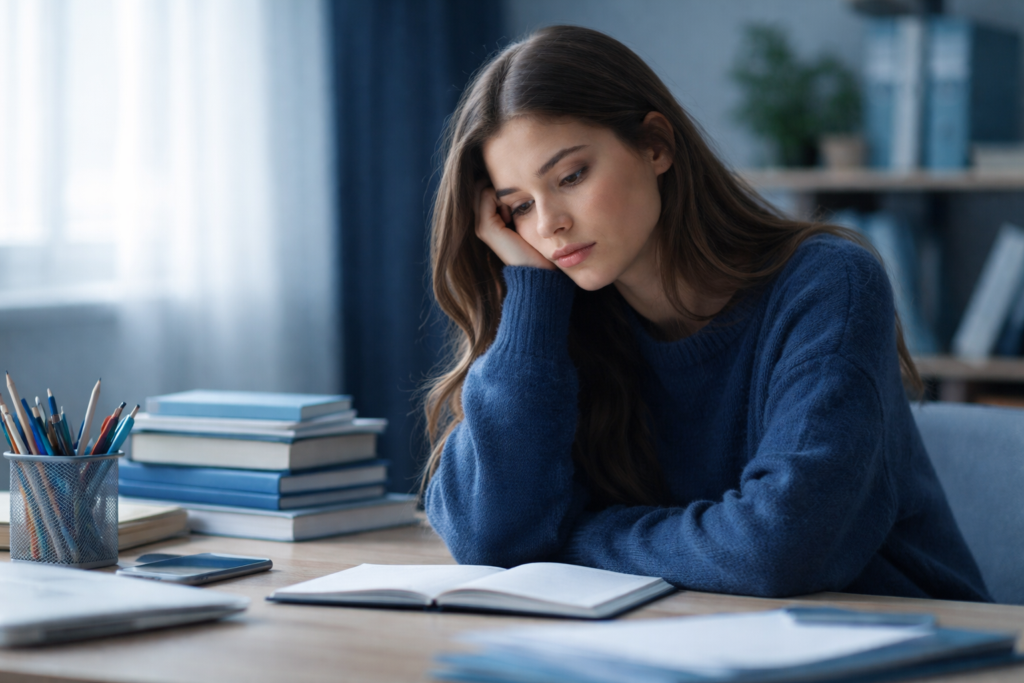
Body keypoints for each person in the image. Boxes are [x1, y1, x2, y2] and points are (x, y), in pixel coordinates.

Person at [421, 25, 990, 602]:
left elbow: (775, 549)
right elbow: (487, 539)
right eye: (518, 207)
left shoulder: (828, 284)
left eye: (570, 177)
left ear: (655, 146)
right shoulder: (562, 322)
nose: (548, 225)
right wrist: (532, 300)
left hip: (908, 639)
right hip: (688, 637)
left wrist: (566, 542)